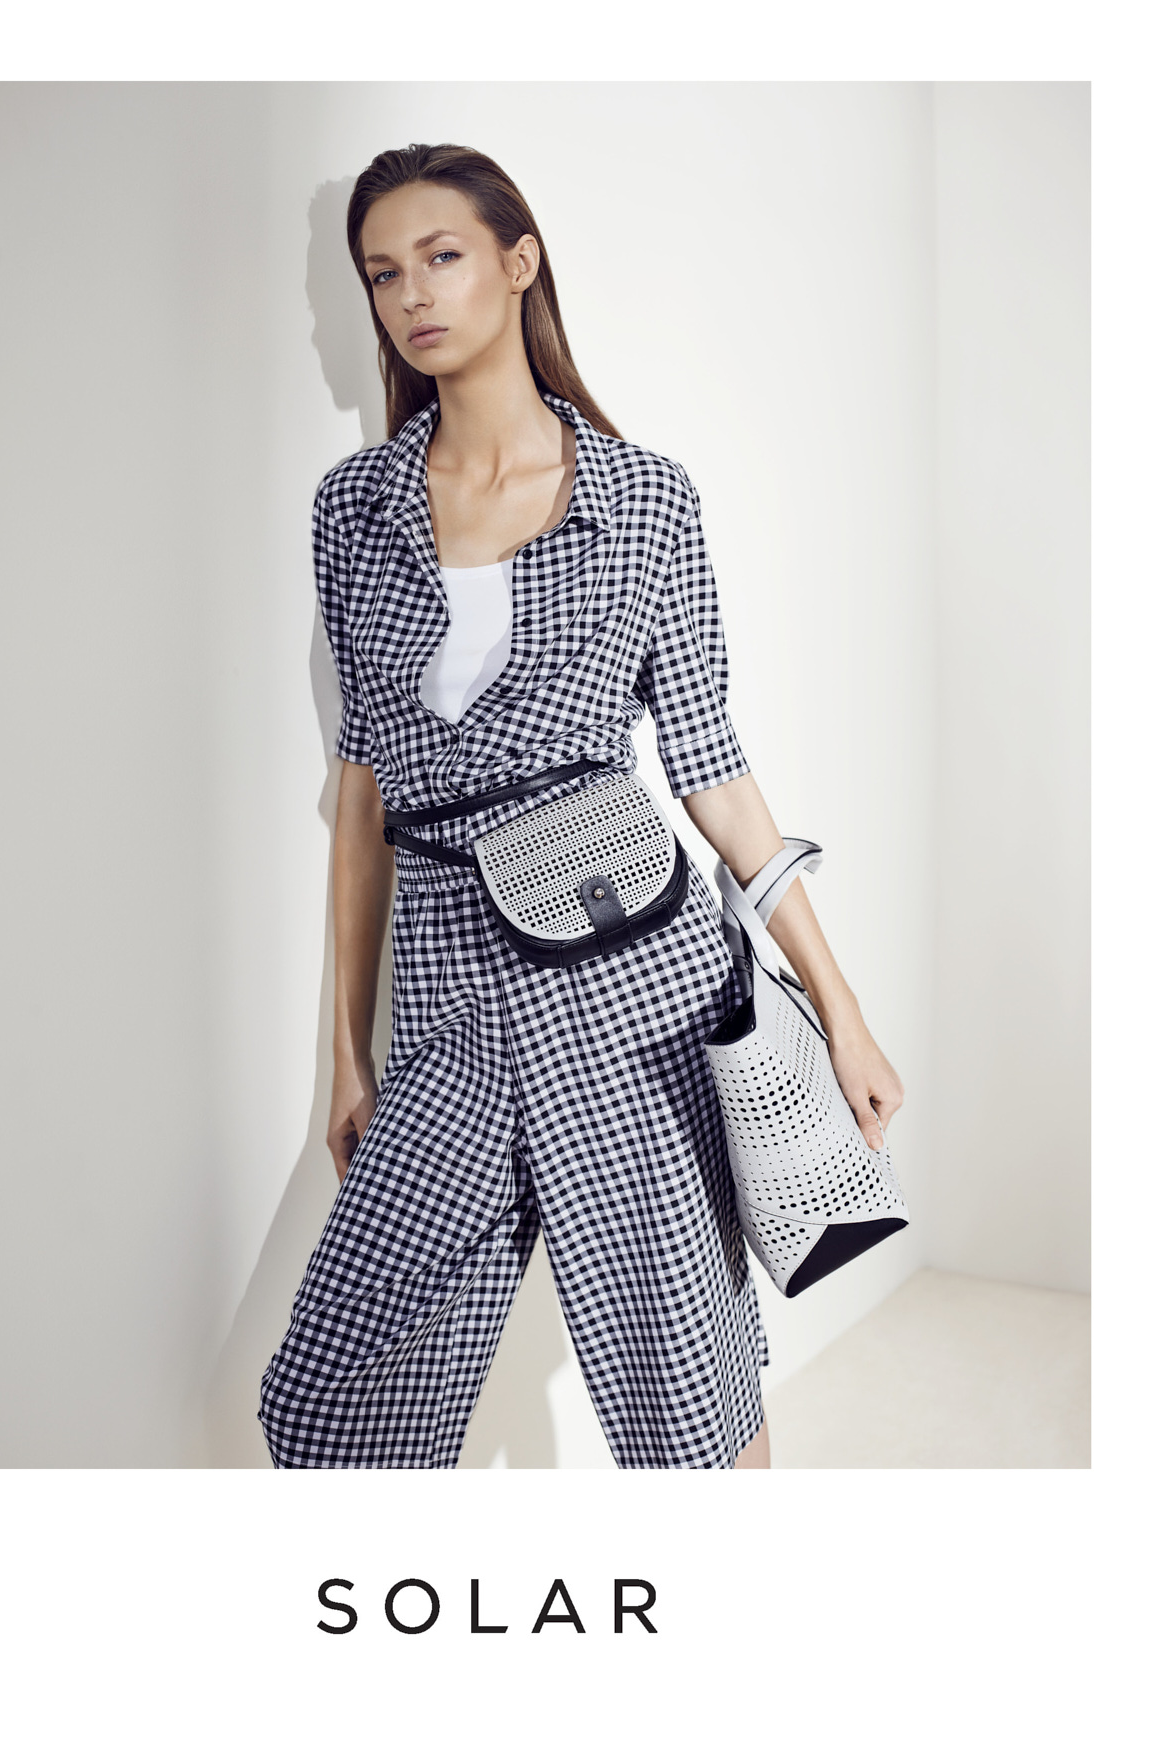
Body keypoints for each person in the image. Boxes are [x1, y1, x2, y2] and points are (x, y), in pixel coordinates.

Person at [259, 143, 903, 1470]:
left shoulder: (644, 500)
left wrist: (841, 1011)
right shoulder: (351, 511)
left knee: (689, 1387)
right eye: (382, 274)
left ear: (518, 261)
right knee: (334, 1398)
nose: (411, 295)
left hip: (630, 983)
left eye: (441, 255)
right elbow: (363, 791)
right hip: (447, 996)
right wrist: (348, 1057)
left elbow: (715, 774)